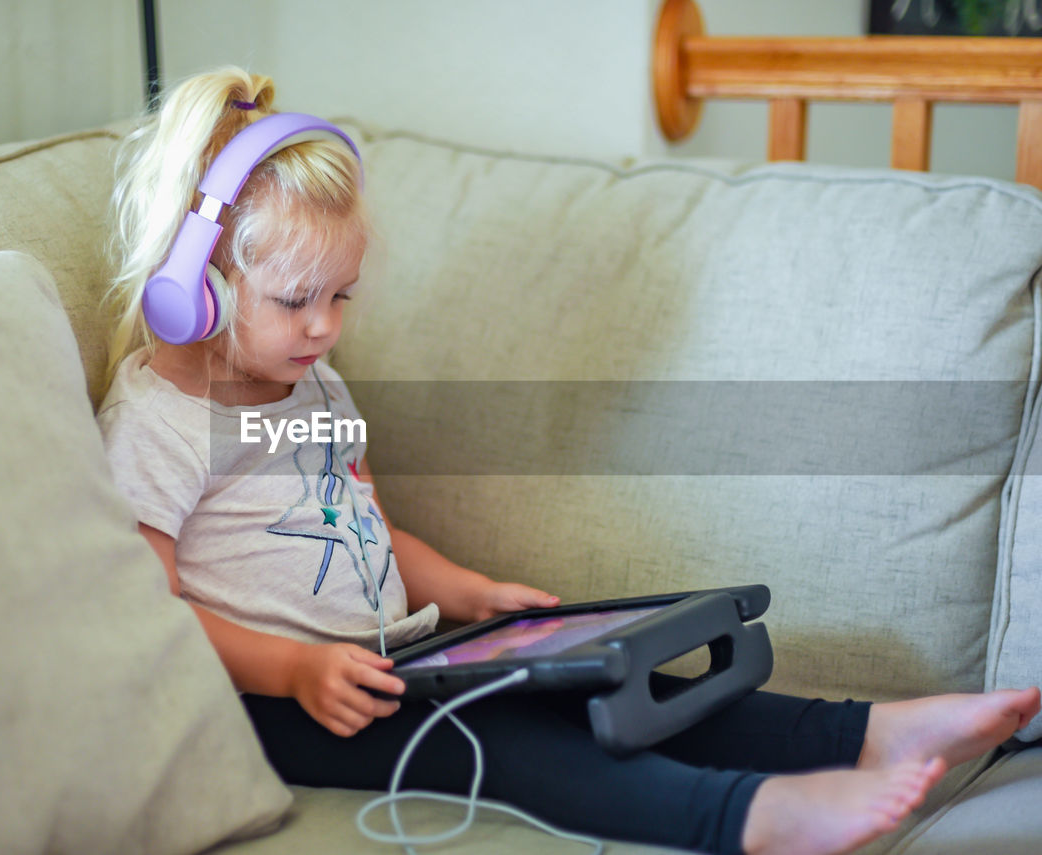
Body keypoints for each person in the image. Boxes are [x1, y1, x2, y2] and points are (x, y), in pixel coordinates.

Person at [96, 66, 1041, 855]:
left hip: (395, 658)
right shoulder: (162, 421)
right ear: (198, 281)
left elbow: (368, 528)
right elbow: (151, 612)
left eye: (341, 295)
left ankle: (867, 730)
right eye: (299, 298)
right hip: (272, 705)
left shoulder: (316, 385)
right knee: (509, 743)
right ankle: (748, 816)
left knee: (609, 684)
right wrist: (295, 670)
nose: (326, 325)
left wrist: (468, 593)